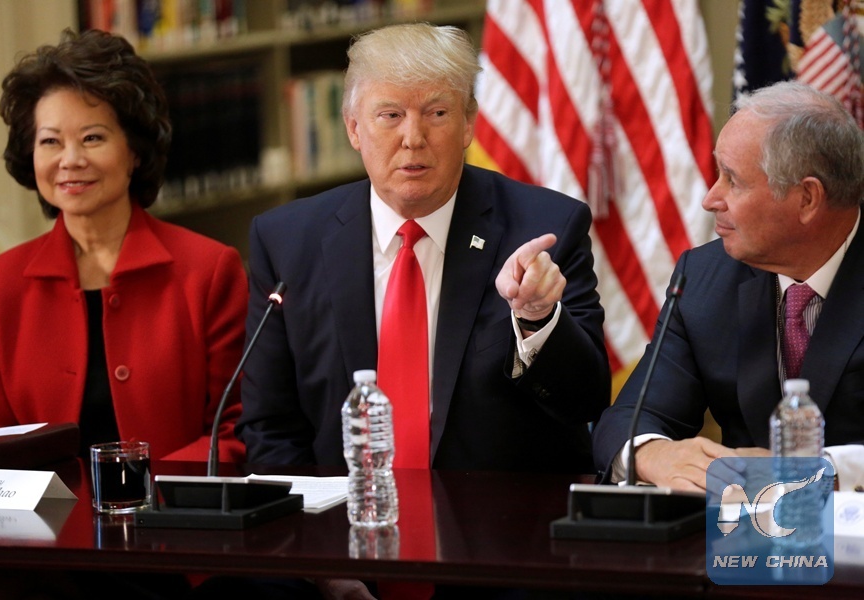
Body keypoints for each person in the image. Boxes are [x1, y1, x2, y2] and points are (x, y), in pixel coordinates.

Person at [232, 22, 609, 600]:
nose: (413, 138)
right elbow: (272, 428)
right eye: (390, 116)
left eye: (435, 113)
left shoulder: (544, 230)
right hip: (343, 550)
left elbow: (586, 401)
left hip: (508, 561)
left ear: (468, 125)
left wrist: (537, 319)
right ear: (354, 128)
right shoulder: (287, 239)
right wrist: (322, 562)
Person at [0, 28, 247, 464]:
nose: (70, 159)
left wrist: (148, 498)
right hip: (42, 528)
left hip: (173, 523)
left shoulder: (209, 271)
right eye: (50, 141)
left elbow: (234, 431)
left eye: (92, 137)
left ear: (134, 151)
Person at [592, 80, 864, 493]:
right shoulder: (703, 278)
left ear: (807, 198)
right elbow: (629, 416)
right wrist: (652, 453)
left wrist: (825, 469)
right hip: (739, 543)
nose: (710, 198)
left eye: (732, 181)